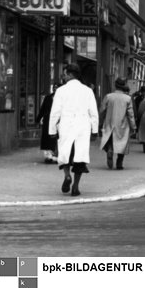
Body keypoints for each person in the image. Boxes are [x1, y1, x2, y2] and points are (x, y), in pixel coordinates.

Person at [48, 63, 99, 197]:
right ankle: (75, 187)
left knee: (65, 153)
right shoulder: (87, 91)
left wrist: (52, 131)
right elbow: (93, 112)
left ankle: (67, 176)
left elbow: (55, 112)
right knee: (79, 158)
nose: (63, 77)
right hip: (83, 127)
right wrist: (95, 130)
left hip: (66, 126)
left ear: (70, 75)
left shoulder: (61, 91)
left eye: (64, 75)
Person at [100, 78, 137, 170]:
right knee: (122, 144)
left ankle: (110, 150)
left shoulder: (108, 96)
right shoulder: (127, 98)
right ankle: (119, 163)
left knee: (110, 140)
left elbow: (102, 110)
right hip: (122, 124)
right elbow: (131, 114)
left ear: (115, 85)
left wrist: (100, 122)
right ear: (124, 86)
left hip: (109, 122)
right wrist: (133, 126)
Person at [36, 87, 58, 163]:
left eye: (57, 87)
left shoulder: (65, 98)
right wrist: (38, 119)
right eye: (54, 87)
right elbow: (43, 109)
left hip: (60, 121)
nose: (55, 89)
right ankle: (48, 157)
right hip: (48, 120)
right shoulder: (48, 97)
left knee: (57, 139)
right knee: (47, 139)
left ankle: (56, 157)